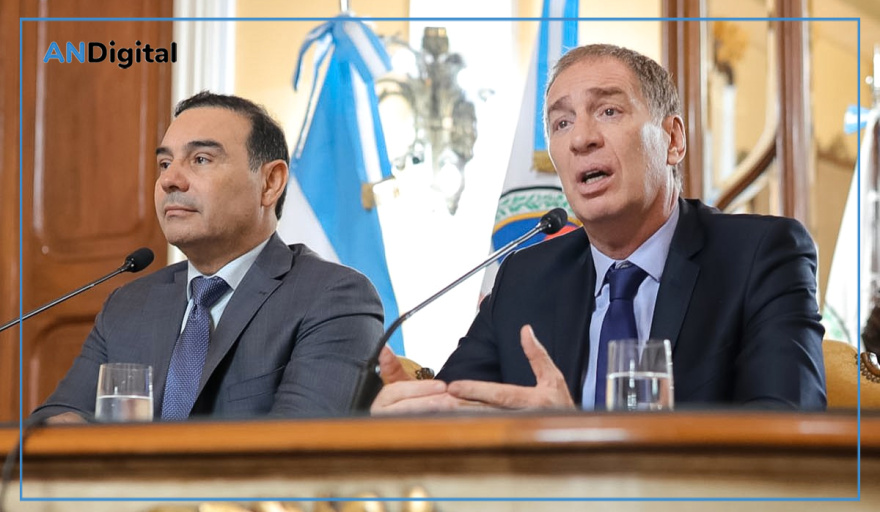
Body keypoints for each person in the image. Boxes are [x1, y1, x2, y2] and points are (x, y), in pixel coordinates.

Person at [372, 44, 826, 414]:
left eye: (608, 111)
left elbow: (788, 433)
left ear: (672, 140)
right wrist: (415, 419)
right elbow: (456, 409)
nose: (580, 138)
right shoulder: (524, 279)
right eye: (561, 123)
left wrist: (566, 439)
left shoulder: (761, 255)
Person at [31, 92, 384, 423]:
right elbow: (54, 421)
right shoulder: (129, 305)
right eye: (164, 163)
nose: (169, 180)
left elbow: (299, 450)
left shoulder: (332, 297)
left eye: (201, 159)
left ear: (270, 182)